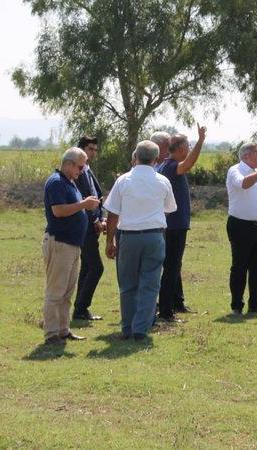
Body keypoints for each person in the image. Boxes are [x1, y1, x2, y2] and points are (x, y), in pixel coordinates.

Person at [104, 140, 177, 340]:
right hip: (154, 235)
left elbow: (112, 213)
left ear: (135, 157)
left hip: (128, 236)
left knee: (128, 285)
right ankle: (140, 328)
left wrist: (110, 241)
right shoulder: (162, 181)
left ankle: (128, 327)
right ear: (156, 159)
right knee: (150, 283)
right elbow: (169, 209)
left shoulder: (123, 180)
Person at [42, 147, 100, 345]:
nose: (82, 171)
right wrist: (84, 204)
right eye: (80, 167)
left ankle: (63, 330)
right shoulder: (56, 182)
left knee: (67, 292)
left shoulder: (70, 182)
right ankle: (51, 334)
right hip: (60, 243)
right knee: (56, 291)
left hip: (72, 245)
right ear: (68, 163)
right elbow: (58, 211)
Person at [156, 124, 206, 322]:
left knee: (173, 266)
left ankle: (175, 303)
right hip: (174, 226)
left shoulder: (164, 165)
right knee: (171, 267)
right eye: (188, 145)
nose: (189, 149)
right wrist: (201, 141)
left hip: (174, 225)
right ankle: (167, 312)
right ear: (180, 149)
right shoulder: (171, 166)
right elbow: (188, 164)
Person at [225, 143, 257, 315]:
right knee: (239, 266)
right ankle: (237, 306)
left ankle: (254, 306)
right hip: (240, 225)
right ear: (246, 155)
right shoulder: (235, 170)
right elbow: (243, 184)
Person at [72, 135, 106, 321]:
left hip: (92, 224)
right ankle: (81, 307)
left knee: (87, 267)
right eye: (90, 149)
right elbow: (84, 199)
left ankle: (80, 309)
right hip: (85, 225)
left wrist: (102, 217)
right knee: (96, 268)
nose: (93, 152)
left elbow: (96, 195)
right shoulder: (78, 172)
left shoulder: (87, 169)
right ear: (82, 149)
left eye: (94, 149)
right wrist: (95, 220)